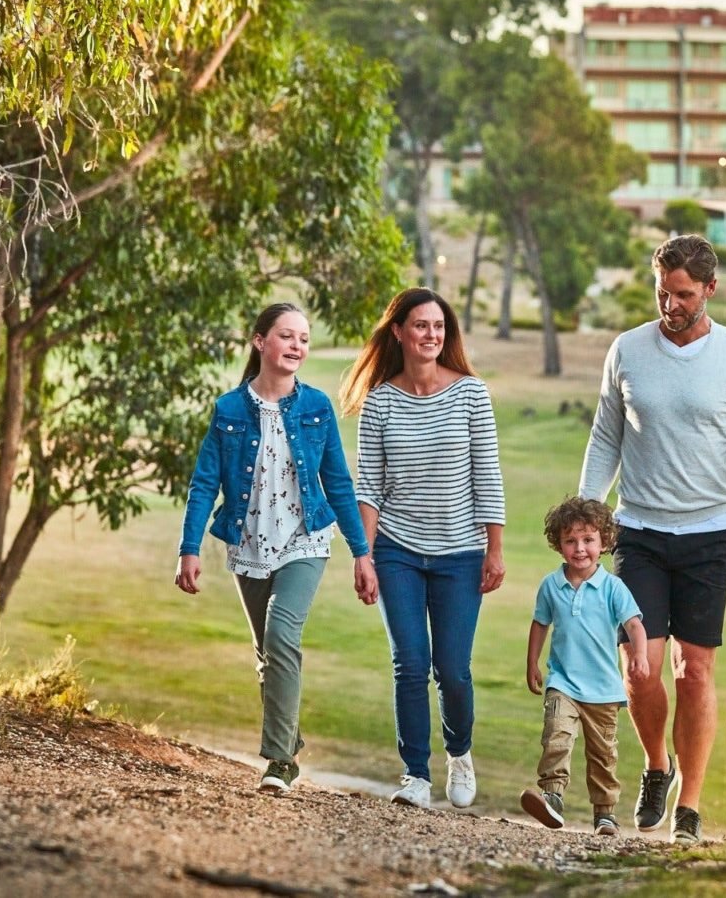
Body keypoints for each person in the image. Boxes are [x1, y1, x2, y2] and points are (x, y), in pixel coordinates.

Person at [578, 234, 726, 844]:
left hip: (708, 534)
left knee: (695, 672)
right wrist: (588, 515)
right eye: (662, 292)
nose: (670, 305)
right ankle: (656, 766)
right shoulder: (628, 350)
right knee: (640, 669)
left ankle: (688, 805)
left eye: (683, 295)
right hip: (636, 529)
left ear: (710, 290)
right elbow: (605, 436)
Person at [175, 303, 378, 795]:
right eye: (286, 336)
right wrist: (189, 547)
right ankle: (289, 732)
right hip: (249, 544)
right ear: (259, 341)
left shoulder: (316, 407)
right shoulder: (228, 410)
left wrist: (361, 552)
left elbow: (338, 482)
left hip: (305, 539)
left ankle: (279, 761)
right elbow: (204, 484)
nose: (296, 346)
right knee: (268, 653)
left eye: (303, 339)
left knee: (282, 637)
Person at [338, 287, 506, 811]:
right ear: (399, 332)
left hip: (460, 553)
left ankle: (459, 753)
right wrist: (362, 556)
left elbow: (488, 475)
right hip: (398, 552)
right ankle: (415, 774)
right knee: (410, 662)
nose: (431, 335)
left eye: (438, 326)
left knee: (452, 668)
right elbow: (369, 486)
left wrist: (494, 549)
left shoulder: (471, 394)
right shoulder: (380, 402)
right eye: (420, 326)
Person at [521, 497, 649, 836]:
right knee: (556, 736)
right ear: (559, 544)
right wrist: (533, 662)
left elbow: (635, 624)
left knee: (603, 755)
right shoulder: (551, 585)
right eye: (571, 541)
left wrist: (639, 655)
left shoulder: (612, 588)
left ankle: (605, 813)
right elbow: (540, 624)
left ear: (604, 542)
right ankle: (552, 797)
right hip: (562, 681)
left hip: (604, 690)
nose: (580, 549)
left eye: (588, 540)